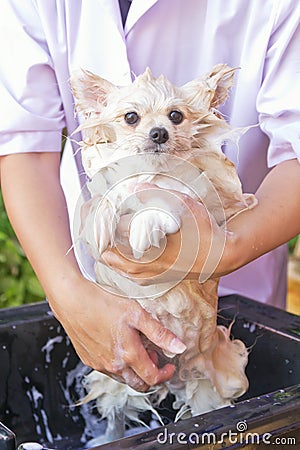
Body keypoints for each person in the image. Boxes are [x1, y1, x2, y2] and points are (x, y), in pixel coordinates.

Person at [0, 0, 299, 391]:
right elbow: (25, 146)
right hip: (99, 295)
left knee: (228, 406)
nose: (158, 131)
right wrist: (70, 295)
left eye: (174, 118)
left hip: (238, 299)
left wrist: (227, 247)